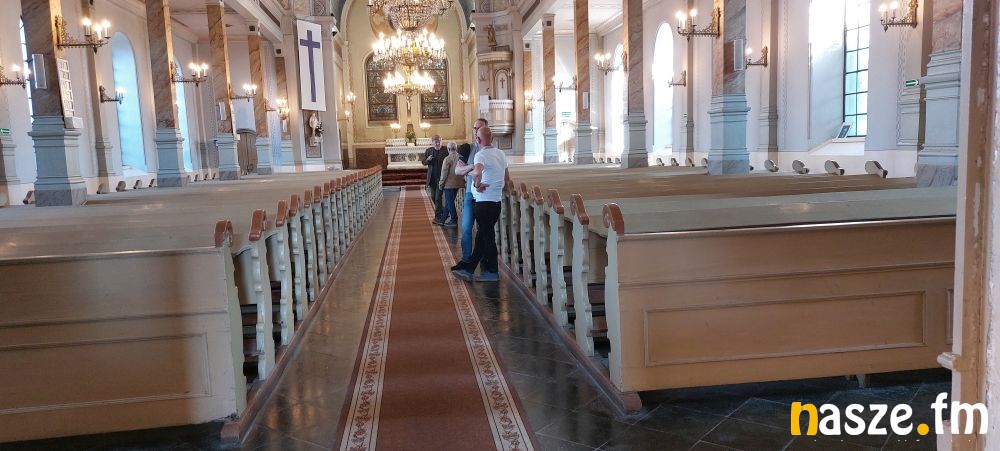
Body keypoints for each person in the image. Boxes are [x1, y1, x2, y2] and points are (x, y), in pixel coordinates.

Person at [452, 126, 507, 282]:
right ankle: (469, 269)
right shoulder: (501, 153)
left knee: (487, 238)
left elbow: (477, 173)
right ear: (492, 138)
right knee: (482, 237)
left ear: (478, 139)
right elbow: (506, 175)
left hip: (484, 202)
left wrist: (476, 184)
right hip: (496, 201)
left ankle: (492, 272)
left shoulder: (480, 155)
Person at [451, 118, 489, 270]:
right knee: (466, 228)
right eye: (474, 128)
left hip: (485, 196)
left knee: (483, 231)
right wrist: (473, 167)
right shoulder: (467, 148)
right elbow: (457, 170)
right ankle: (466, 259)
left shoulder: (492, 151)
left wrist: (468, 169)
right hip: (470, 194)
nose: (475, 131)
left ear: (486, 130)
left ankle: (484, 260)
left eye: (479, 128)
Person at [437, 142, 465, 227]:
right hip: (458, 183)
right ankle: (442, 220)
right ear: (456, 148)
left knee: (450, 203)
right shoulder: (461, 157)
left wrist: (441, 184)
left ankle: (454, 220)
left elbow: (444, 173)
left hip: (449, 184)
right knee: (449, 202)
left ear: (448, 149)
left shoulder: (447, 159)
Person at [422, 135, 447, 223]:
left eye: (439, 141)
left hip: (441, 178)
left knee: (438, 198)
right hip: (432, 178)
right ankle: (443, 211)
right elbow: (423, 162)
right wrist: (428, 160)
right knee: (433, 197)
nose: (438, 143)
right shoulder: (428, 151)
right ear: (432, 142)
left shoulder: (445, 150)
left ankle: (437, 217)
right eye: (436, 142)